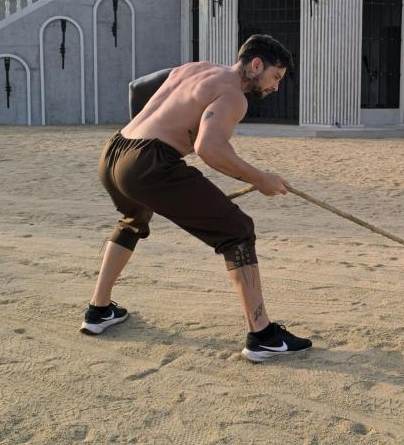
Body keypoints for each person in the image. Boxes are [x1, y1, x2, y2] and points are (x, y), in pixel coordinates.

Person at [81, 34, 312, 362]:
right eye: (275, 76)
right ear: (256, 64)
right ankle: (262, 336)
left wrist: (148, 146)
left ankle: (98, 312)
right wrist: (260, 179)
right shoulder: (235, 96)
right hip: (148, 163)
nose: (276, 86)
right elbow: (209, 148)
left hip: (115, 151)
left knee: (133, 221)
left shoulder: (196, 68)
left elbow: (138, 88)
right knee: (238, 230)